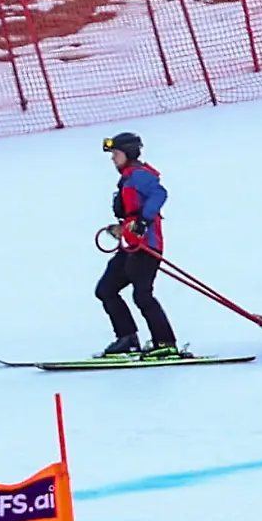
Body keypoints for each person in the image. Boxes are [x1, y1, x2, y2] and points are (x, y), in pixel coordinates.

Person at [95, 132, 183, 359]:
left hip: (147, 248)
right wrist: (121, 229)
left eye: (116, 153)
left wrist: (143, 221)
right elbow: (131, 212)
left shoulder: (139, 176)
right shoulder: (127, 178)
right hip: (131, 247)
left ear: (129, 154)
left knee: (142, 295)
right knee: (106, 290)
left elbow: (159, 194)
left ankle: (166, 343)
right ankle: (127, 338)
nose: (113, 158)